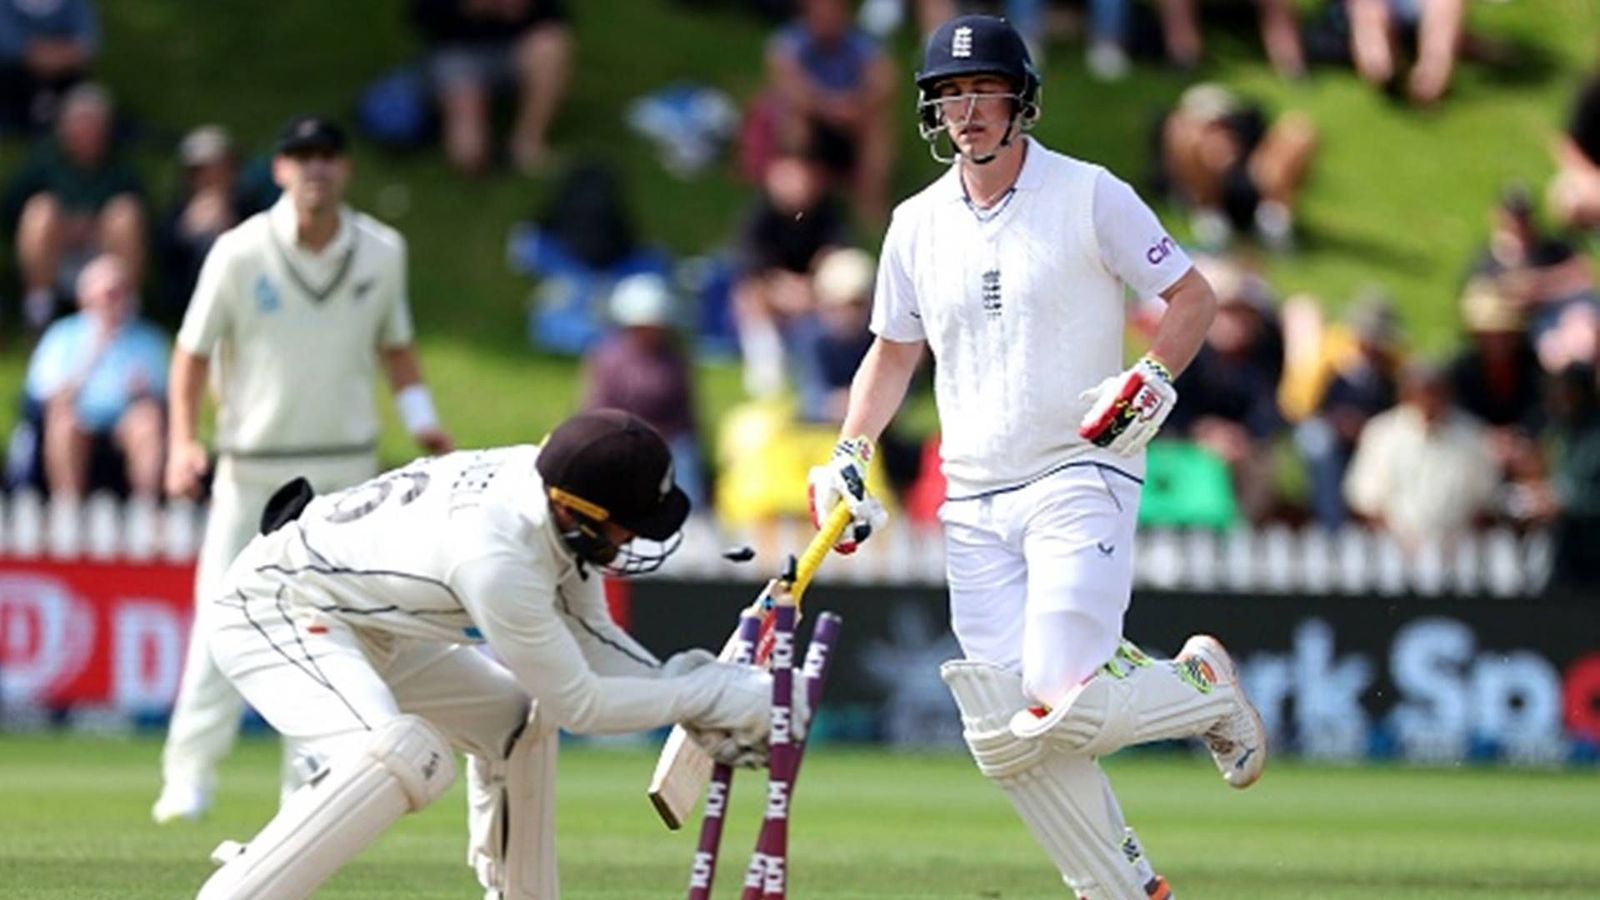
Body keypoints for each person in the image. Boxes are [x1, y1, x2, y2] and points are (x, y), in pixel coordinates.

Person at [805, 16, 1265, 898]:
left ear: (1022, 98)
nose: (966, 110)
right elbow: (893, 352)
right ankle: (1122, 887)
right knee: (1003, 730)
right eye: (948, 94)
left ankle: (1202, 688)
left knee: (1064, 699)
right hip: (972, 498)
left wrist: (1151, 374)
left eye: (982, 91)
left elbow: (1193, 295)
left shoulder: (1090, 194)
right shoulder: (913, 225)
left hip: (1077, 471)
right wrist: (851, 450)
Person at [194, 410, 777, 899]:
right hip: (276, 606)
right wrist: (707, 695)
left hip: (367, 617)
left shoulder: (549, 491)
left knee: (515, 722)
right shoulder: (497, 557)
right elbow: (581, 705)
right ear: (576, 511)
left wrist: (694, 686)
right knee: (400, 755)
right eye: (628, 527)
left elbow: (596, 646)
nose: (632, 541)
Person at [153, 115, 456, 825]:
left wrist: (422, 421)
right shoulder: (239, 251)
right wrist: (180, 444)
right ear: (282, 170)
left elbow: (398, 346)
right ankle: (188, 775)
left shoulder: (383, 250)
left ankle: (312, 780)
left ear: (343, 169)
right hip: (253, 464)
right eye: (301, 157)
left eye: (327, 156)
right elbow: (192, 354)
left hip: (343, 473)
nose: (315, 169)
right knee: (220, 620)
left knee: (329, 628)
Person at [22, 253, 166, 501]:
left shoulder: (148, 339)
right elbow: (46, 398)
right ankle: (67, 506)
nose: (116, 301)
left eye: (122, 292)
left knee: (148, 420)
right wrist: (91, 357)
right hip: (79, 418)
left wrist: (143, 392)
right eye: (109, 294)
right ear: (86, 297)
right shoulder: (61, 336)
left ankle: (147, 506)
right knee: (64, 422)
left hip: (126, 422)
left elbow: (163, 398)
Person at [2, 82, 143, 331]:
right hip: (54, 253)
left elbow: (142, 214)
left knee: (125, 213)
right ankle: (38, 312)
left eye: (94, 124)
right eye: (80, 123)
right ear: (64, 127)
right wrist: (64, 225)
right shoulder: (43, 162)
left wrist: (92, 226)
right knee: (40, 210)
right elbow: (12, 211)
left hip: (102, 251)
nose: (87, 132)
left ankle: (125, 310)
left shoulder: (120, 168)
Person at [580, 272, 706, 509]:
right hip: (623, 439)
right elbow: (597, 407)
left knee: (686, 469)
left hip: (671, 440)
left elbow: (687, 409)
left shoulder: (674, 358)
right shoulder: (609, 358)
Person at [1343, 361, 1499, 550]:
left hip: (1459, 552)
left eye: (1436, 394)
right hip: (1394, 552)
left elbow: (1485, 500)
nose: (1429, 403)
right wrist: (1397, 541)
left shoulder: (1472, 434)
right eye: (1422, 395)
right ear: (1406, 396)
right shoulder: (1381, 434)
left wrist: (1459, 542)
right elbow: (1365, 499)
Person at [765, 0, 896, 222]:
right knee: (796, 122)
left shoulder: (858, 42)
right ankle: (798, 194)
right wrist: (828, 107)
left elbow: (885, 79)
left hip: (853, 118)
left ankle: (870, 205)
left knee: (877, 127)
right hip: (813, 117)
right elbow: (788, 84)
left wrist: (858, 104)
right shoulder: (791, 42)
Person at [410, 0, 572, 174]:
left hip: (514, 47)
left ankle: (527, 143)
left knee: (550, 46)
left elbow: (555, 18)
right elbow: (422, 18)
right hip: (458, 53)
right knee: (468, 154)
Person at [0, 0, 98, 134]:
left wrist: (55, 57)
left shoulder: (74, 5)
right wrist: (33, 53)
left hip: (63, 71)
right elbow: (6, 39)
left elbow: (86, 39)